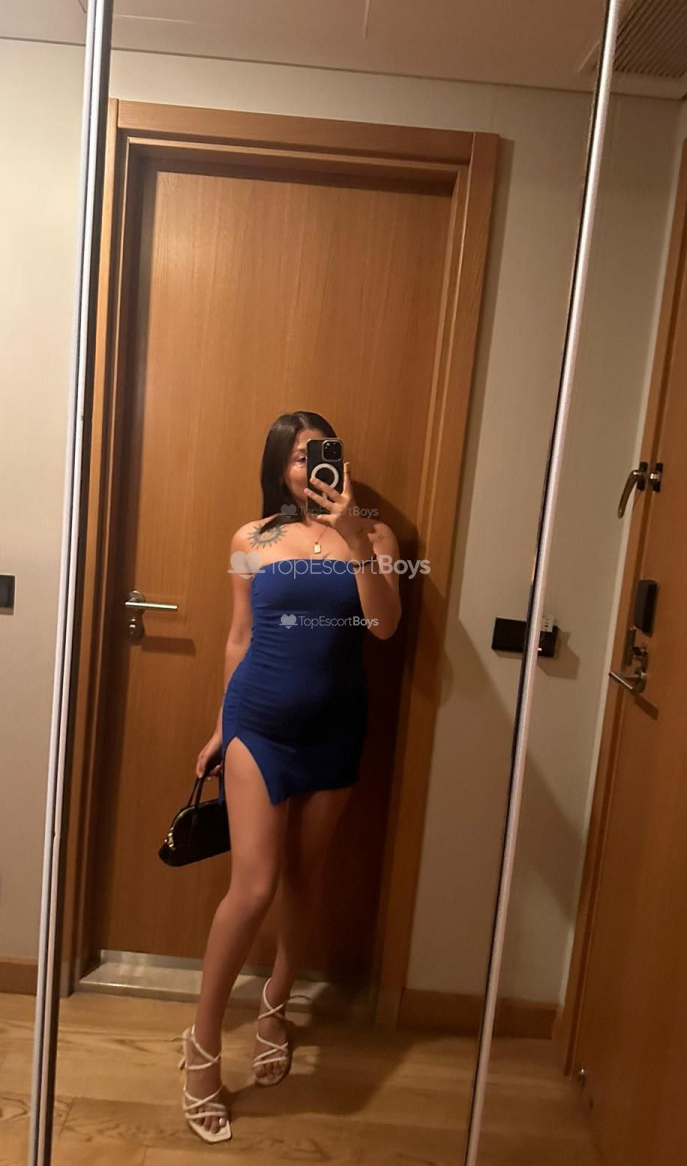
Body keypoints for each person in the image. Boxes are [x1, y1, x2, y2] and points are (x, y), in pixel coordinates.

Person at [177, 410, 402, 1142]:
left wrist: (358, 538)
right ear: (280, 467)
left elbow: (384, 627)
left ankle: (275, 1007)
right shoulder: (252, 539)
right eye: (300, 456)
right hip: (260, 727)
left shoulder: (376, 537)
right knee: (254, 887)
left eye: (323, 452)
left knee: (306, 880)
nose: (313, 466)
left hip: (336, 731)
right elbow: (239, 635)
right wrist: (222, 726)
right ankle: (202, 1046)